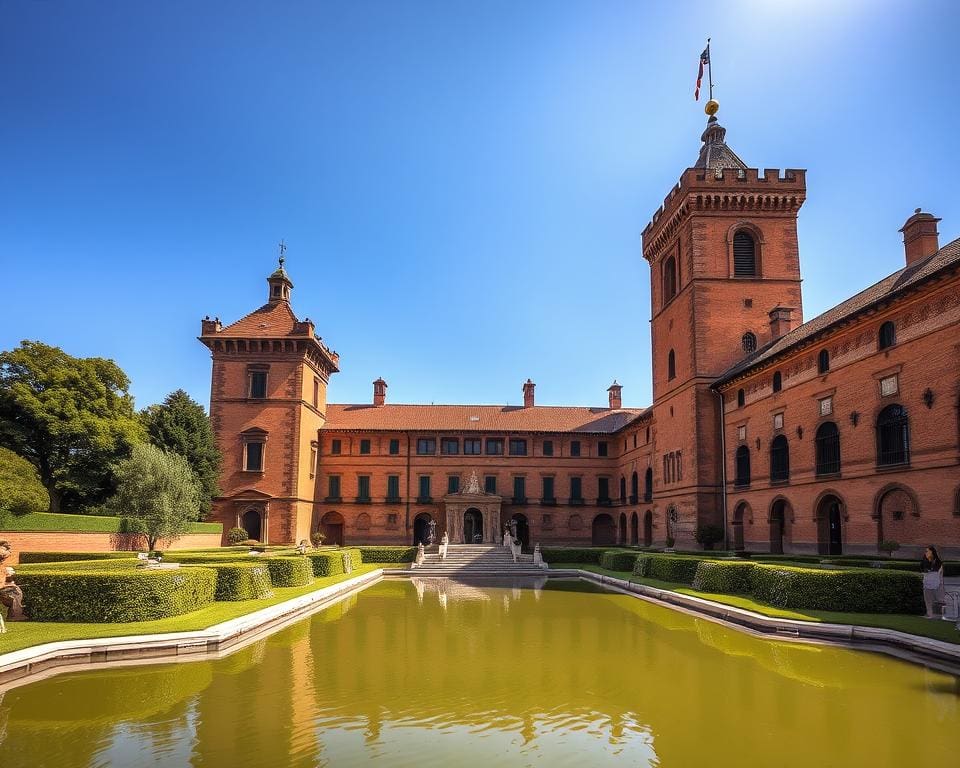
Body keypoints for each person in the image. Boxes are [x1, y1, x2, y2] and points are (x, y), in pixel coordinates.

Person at [920, 545, 945, 619]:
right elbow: (923, 570)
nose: (926, 552)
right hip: (927, 584)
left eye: (927, 551)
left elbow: (940, 574)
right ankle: (929, 614)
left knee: (939, 600)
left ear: (932, 552)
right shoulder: (924, 561)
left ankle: (939, 615)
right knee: (928, 601)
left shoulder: (938, 562)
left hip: (937, 584)